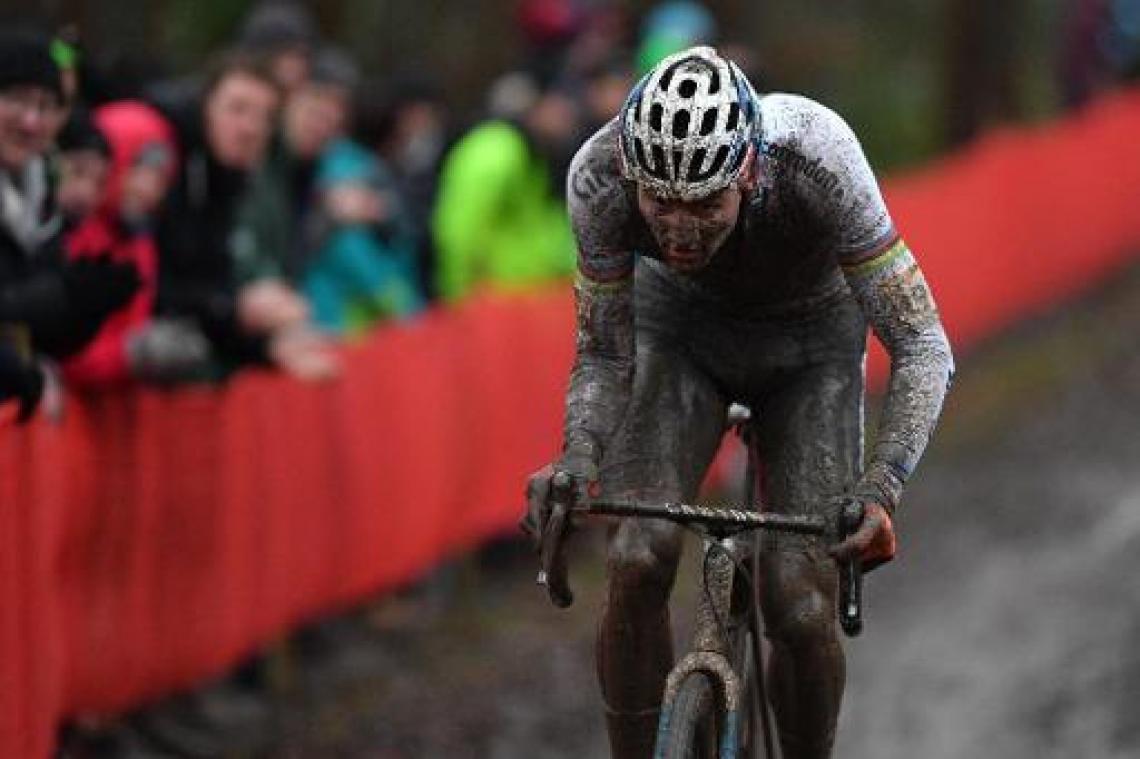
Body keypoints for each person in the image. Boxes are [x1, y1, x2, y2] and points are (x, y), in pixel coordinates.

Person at [522, 47, 953, 758]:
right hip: (682, 337)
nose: (679, 228)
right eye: (659, 202)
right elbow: (603, 353)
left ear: (749, 172)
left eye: (704, 203)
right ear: (631, 174)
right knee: (635, 555)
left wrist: (883, 485)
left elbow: (922, 342)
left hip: (811, 348)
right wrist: (577, 455)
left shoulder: (819, 156)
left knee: (799, 598)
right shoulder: (597, 177)